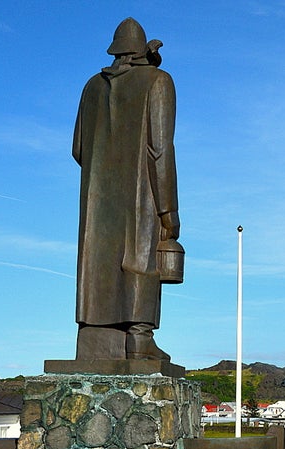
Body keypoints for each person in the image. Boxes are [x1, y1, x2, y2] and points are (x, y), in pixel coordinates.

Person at [72, 18, 180, 361]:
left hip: (97, 199)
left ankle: (94, 339)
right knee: (140, 258)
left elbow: (78, 149)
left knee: (99, 260)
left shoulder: (91, 87)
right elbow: (160, 150)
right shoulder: (158, 82)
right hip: (143, 194)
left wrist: (103, 176)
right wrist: (169, 210)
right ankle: (139, 337)